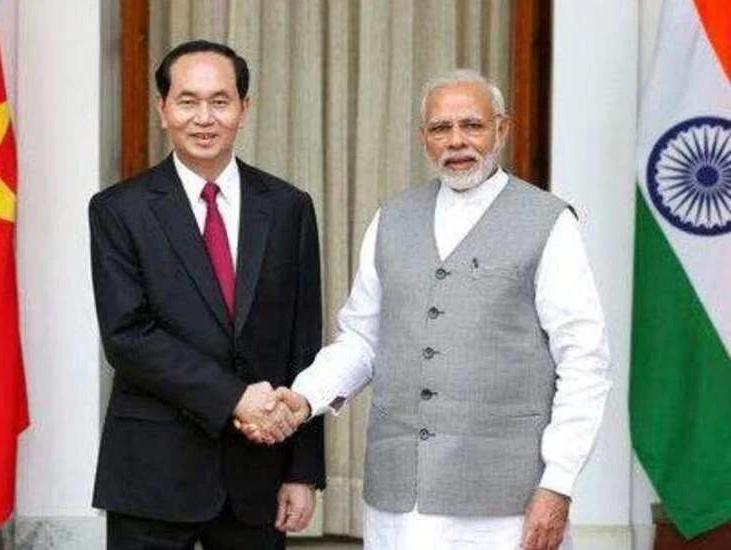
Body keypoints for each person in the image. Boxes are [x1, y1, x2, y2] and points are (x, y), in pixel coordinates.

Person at [240, 69, 612, 550]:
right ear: (424, 139)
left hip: (505, 505)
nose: (456, 141)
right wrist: (303, 397)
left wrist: (558, 482)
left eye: (472, 125)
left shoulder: (549, 222)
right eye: (441, 128)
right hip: (399, 503)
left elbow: (584, 361)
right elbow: (362, 341)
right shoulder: (391, 218)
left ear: (501, 129)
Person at [89, 39, 324, 550]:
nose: (204, 118)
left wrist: (302, 471)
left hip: (258, 474)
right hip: (152, 474)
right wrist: (235, 397)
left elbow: (303, 343)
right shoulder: (119, 210)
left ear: (244, 108)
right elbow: (128, 337)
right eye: (187, 101)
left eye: (220, 101)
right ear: (163, 109)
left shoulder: (288, 208)